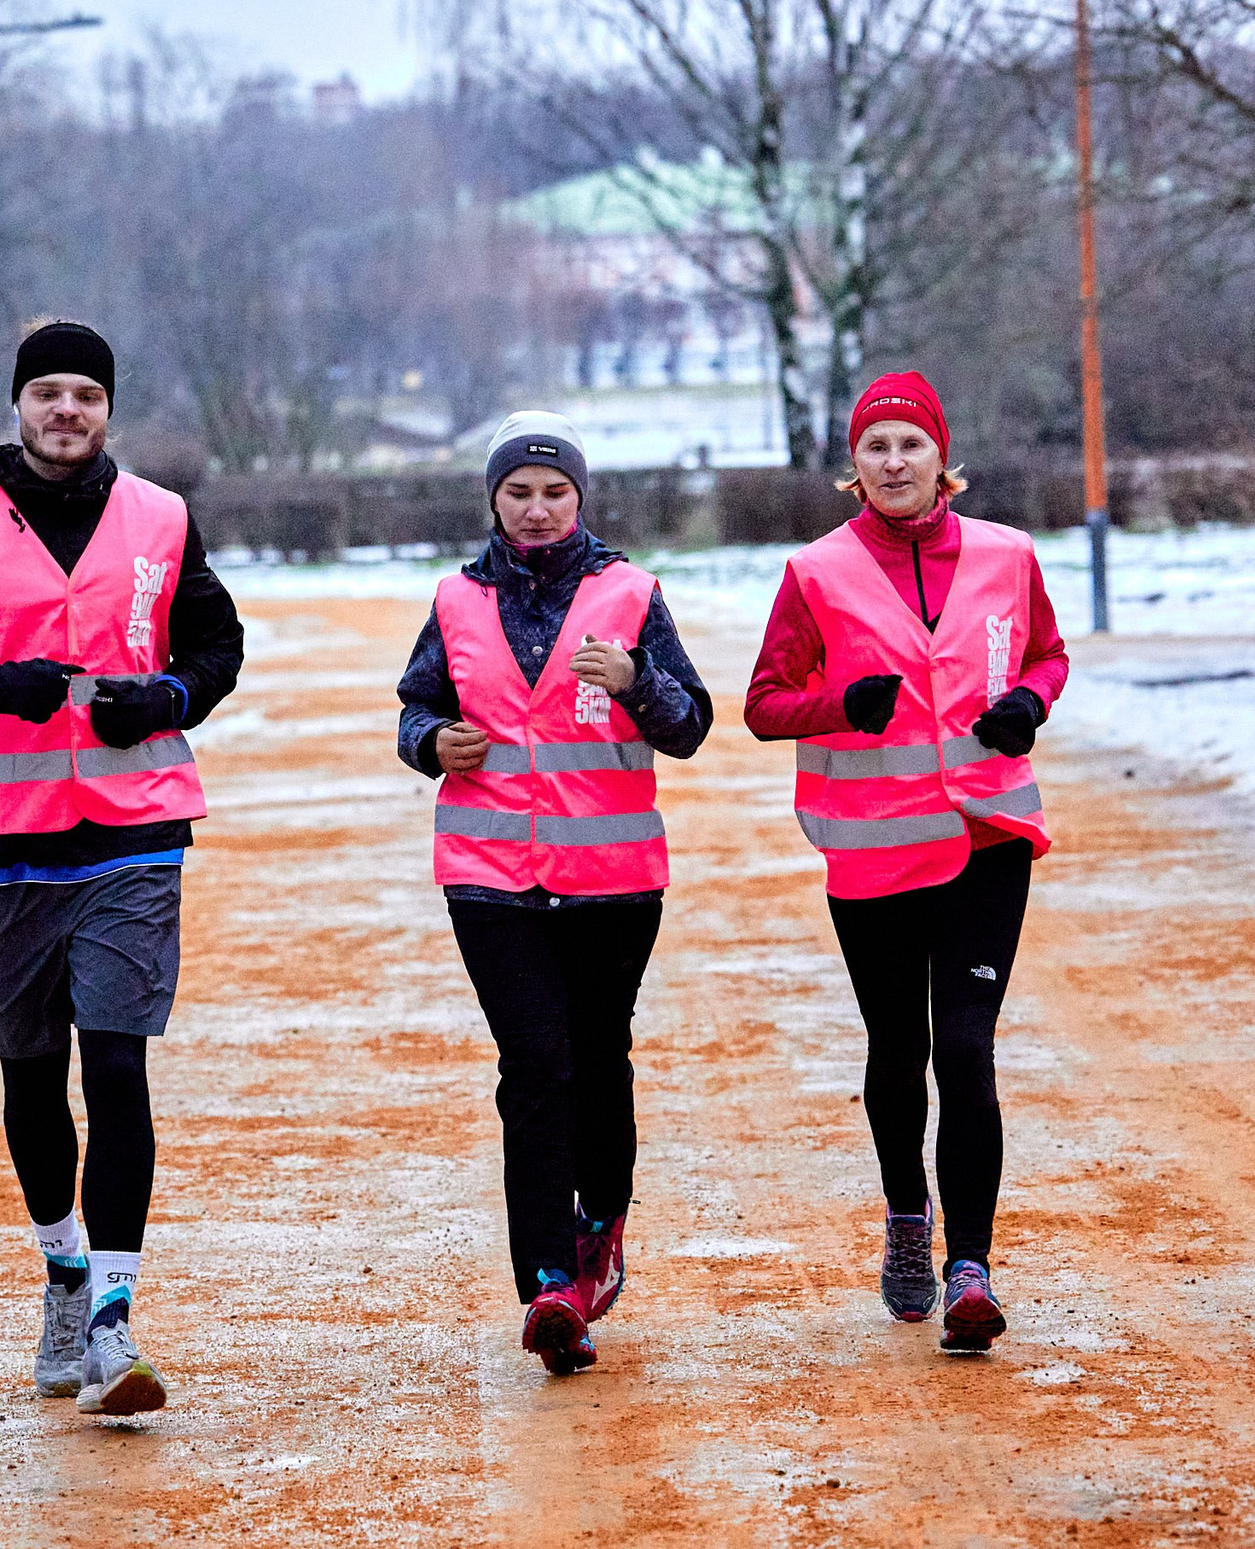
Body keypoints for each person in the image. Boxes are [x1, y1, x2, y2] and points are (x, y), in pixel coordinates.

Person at [0, 320, 244, 1415]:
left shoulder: (163, 519)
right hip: (0, 848)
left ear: (109, 409)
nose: (67, 410)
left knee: (117, 1066)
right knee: (31, 1078)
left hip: (132, 831)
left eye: (86, 392)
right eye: (48, 392)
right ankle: (64, 1277)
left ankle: (116, 1327)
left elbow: (215, 648)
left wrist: (168, 697)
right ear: (18, 405)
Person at [744, 371, 1067, 1354]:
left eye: (909, 446)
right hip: (874, 844)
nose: (892, 463)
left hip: (984, 837)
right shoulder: (815, 574)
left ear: (941, 460)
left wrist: (1029, 705)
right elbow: (762, 704)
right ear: (854, 467)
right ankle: (905, 1220)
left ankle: (970, 1267)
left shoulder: (1009, 556)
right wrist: (843, 704)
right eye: (874, 448)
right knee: (900, 1048)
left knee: (966, 1047)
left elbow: (1046, 656)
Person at [396, 412, 714, 1376]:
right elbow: (417, 703)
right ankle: (547, 1283)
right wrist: (429, 744)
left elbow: (692, 723)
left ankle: (598, 1224)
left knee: (596, 1057)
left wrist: (634, 679)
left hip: (612, 881)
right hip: (491, 879)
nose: (537, 509)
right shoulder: (455, 600)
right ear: (493, 500)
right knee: (534, 1067)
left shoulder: (630, 593)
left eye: (555, 492)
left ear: (580, 499)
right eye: (519, 492)